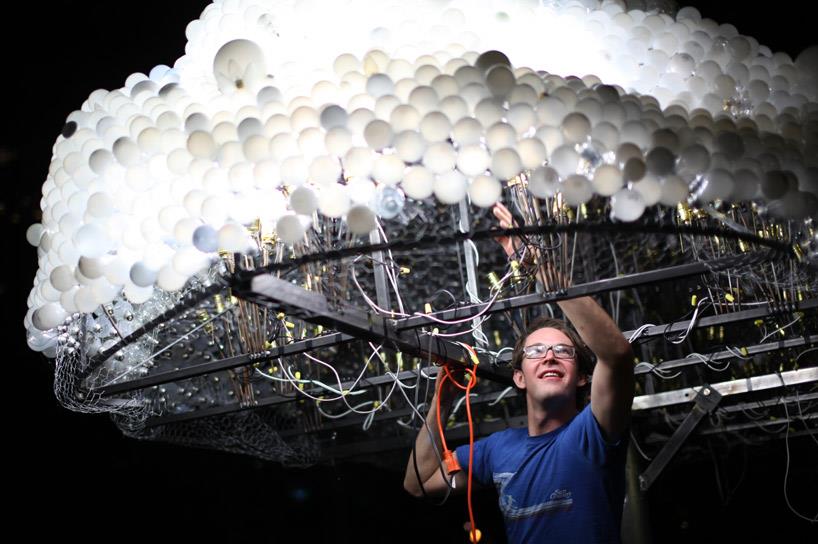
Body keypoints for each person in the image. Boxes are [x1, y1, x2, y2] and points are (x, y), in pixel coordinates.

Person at [404, 202, 635, 543]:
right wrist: (442, 401)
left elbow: (617, 355)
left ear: (582, 377)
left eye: (563, 352)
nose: (550, 357)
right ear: (519, 377)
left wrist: (536, 263)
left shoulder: (592, 433)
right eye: (536, 351)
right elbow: (419, 483)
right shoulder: (497, 450)